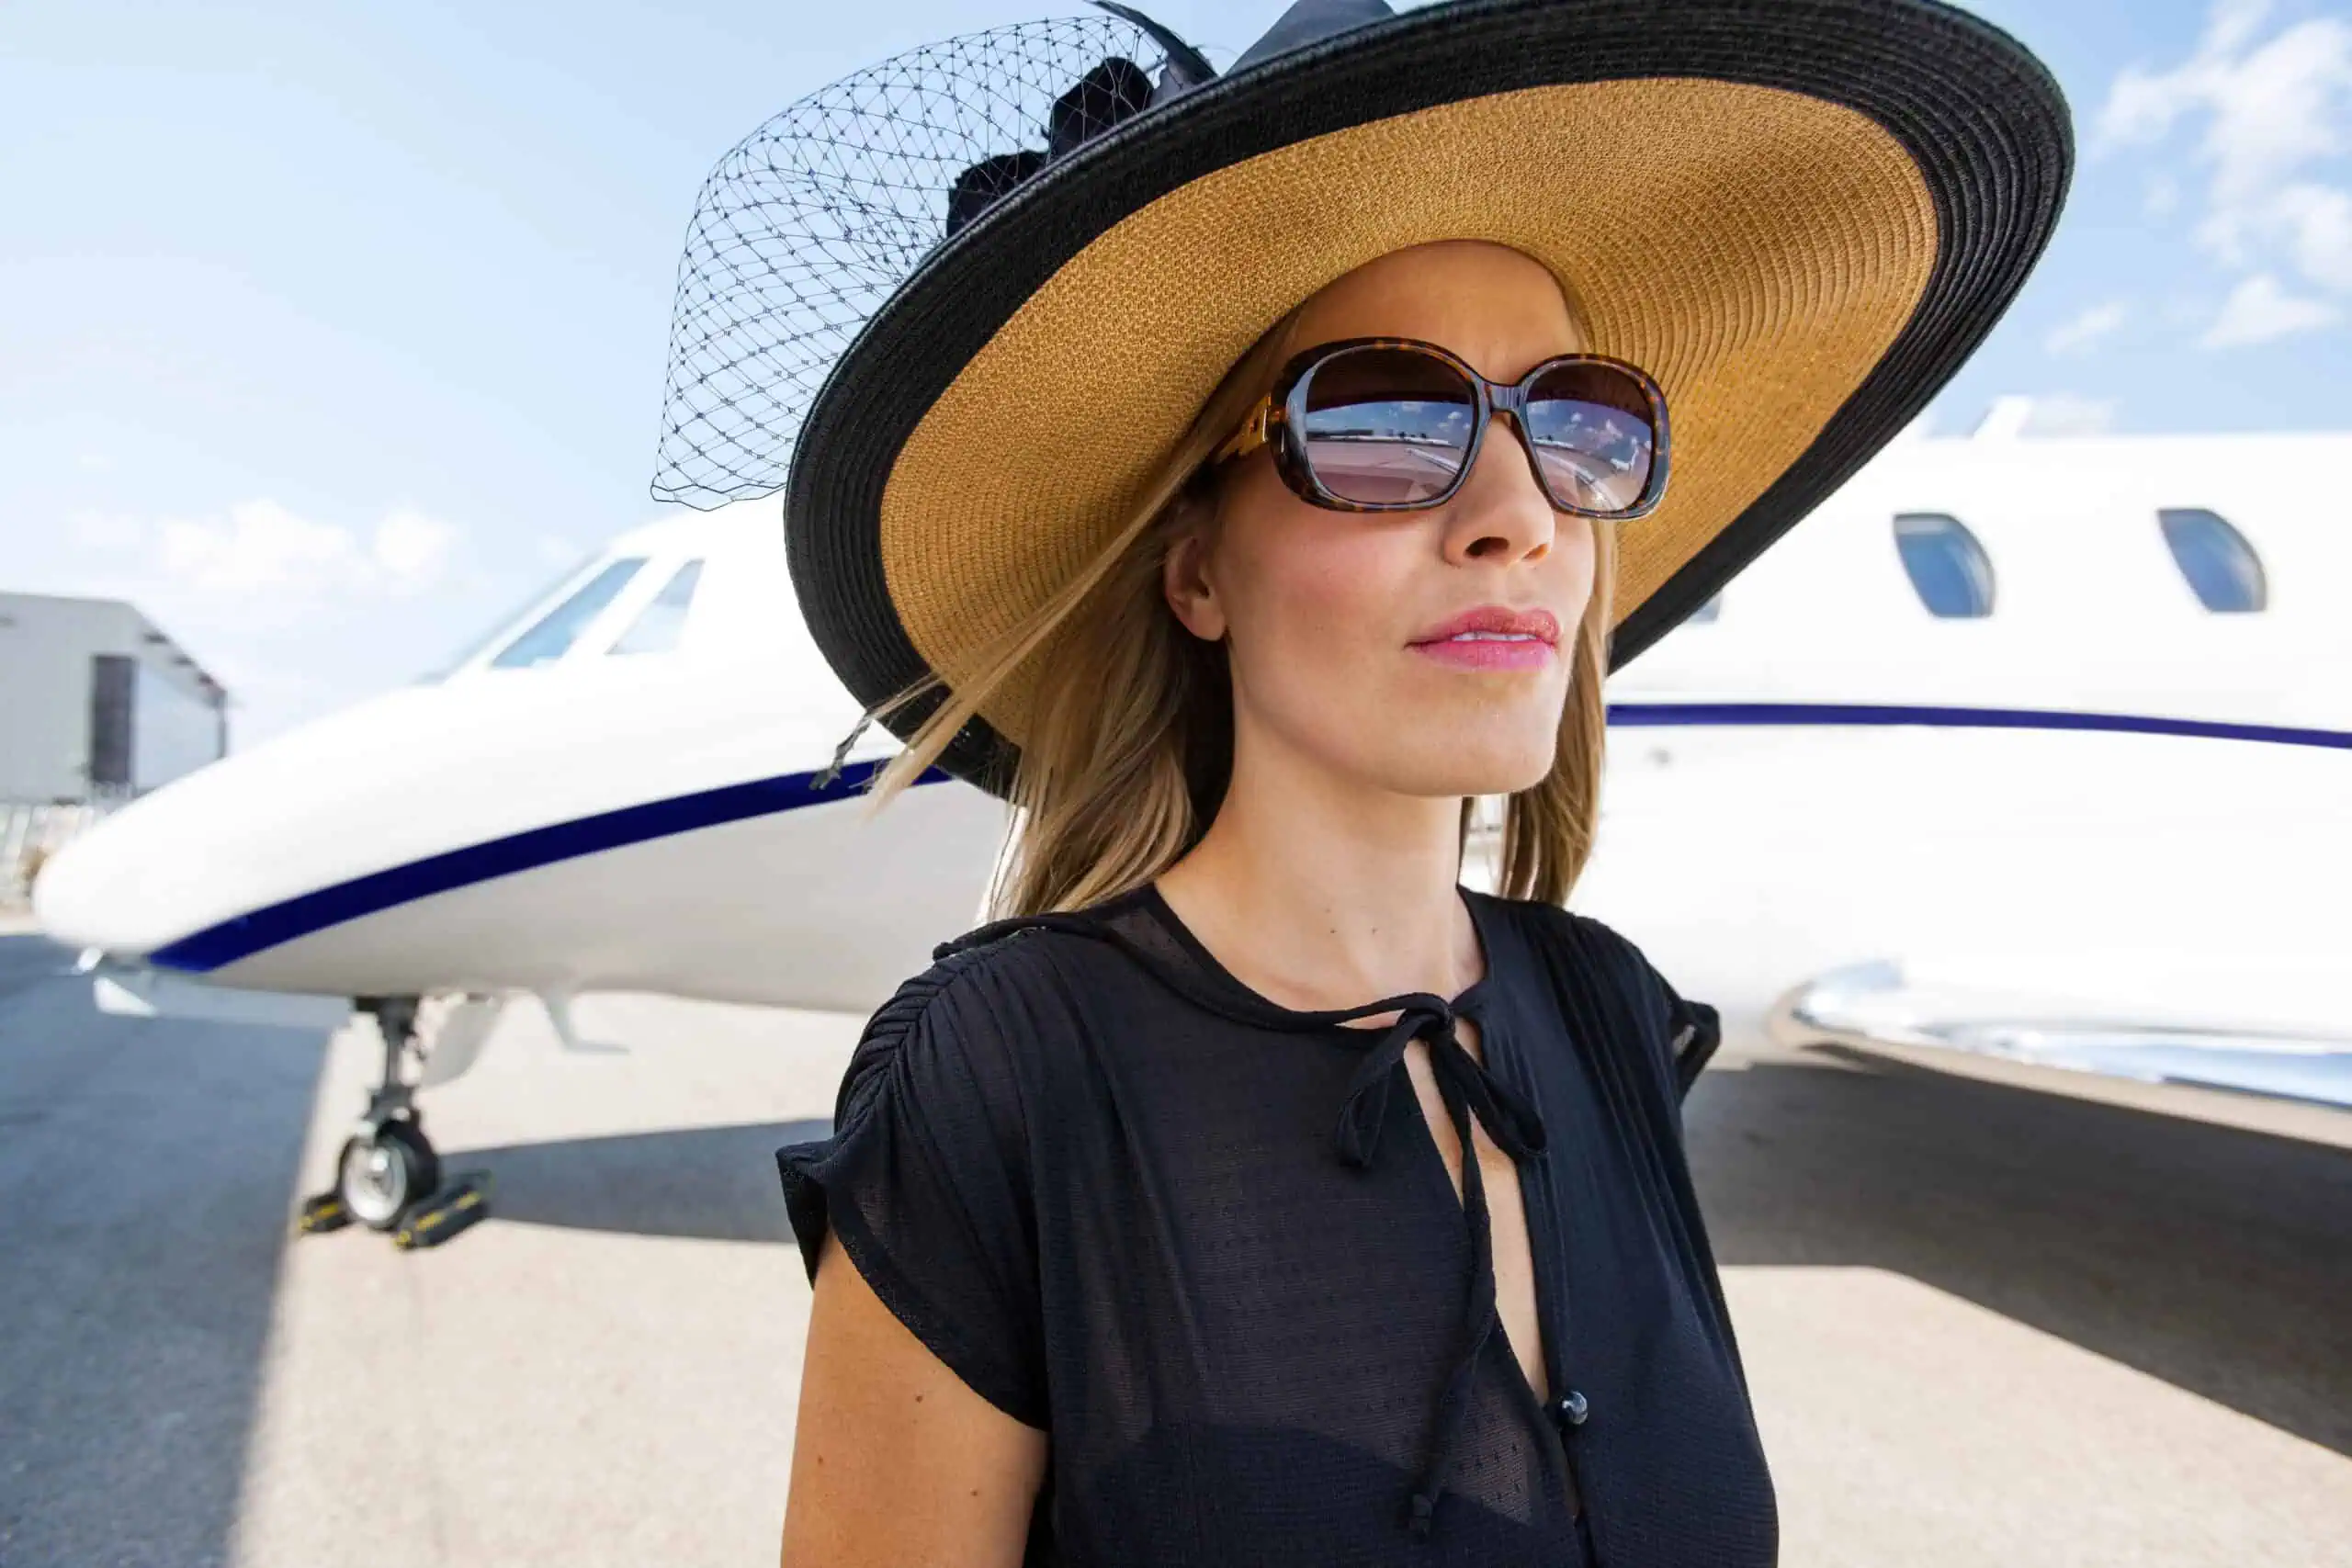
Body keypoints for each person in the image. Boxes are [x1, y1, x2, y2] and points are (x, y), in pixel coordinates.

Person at [649, 2, 2070, 1562]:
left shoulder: (1611, 1012)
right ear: (1197, 570)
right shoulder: (1000, 1074)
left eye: (1582, 431)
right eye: (1387, 422)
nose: (1517, 514)